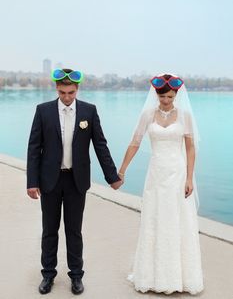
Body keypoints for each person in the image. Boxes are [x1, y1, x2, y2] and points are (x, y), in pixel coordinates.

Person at [27, 68, 122, 295]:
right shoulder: (43, 111)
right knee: (49, 230)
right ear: (56, 89)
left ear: (77, 89)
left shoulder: (89, 111)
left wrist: (112, 177)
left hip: (76, 181)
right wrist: (32, 181)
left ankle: (76, 276)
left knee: (74, 231)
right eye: (62, 93)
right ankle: (48, 275)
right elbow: (33, 148)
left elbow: (100, 145)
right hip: (49, 180)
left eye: (70, 92)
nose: (67, 97)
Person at [118, 74, 204, 295]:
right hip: (155, 175)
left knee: (177, 221)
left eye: (170, 96)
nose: (166, 100)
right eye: (163, 96)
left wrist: (189, 177)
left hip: (177, 174)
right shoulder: (148, 114)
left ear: (176, 95)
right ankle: (151, 275)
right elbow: (135, 143)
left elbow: (191, 148)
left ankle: (180, 277)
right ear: (156, 95)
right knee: (154, 219)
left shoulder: (184, 115)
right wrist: (122, 170)